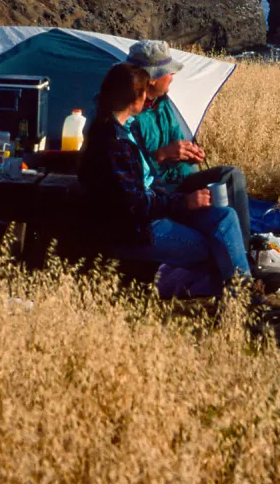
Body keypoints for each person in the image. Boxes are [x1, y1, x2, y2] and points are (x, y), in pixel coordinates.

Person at [79, 62, 253, 293]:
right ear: (136, 97)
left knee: (225, 218)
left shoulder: (123, 129)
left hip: (153, 210)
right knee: (219, 245)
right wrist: (183, 202)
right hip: (137, 230)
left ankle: (244, 291)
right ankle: (245, 299)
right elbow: (134, 203)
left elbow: (143, 179)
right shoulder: (113, 143)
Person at [125, 39, 252, 241]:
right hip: (157, 192)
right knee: (222, 212)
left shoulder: (163, 103)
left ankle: (244, 247)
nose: (173, 77)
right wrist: (162, 155)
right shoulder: (126, 114)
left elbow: (177, 140)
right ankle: (234, 251)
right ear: (152, 79)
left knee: (230, 175)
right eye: (169, 72)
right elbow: (130, 171)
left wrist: (189, 155)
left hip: (179, 180)